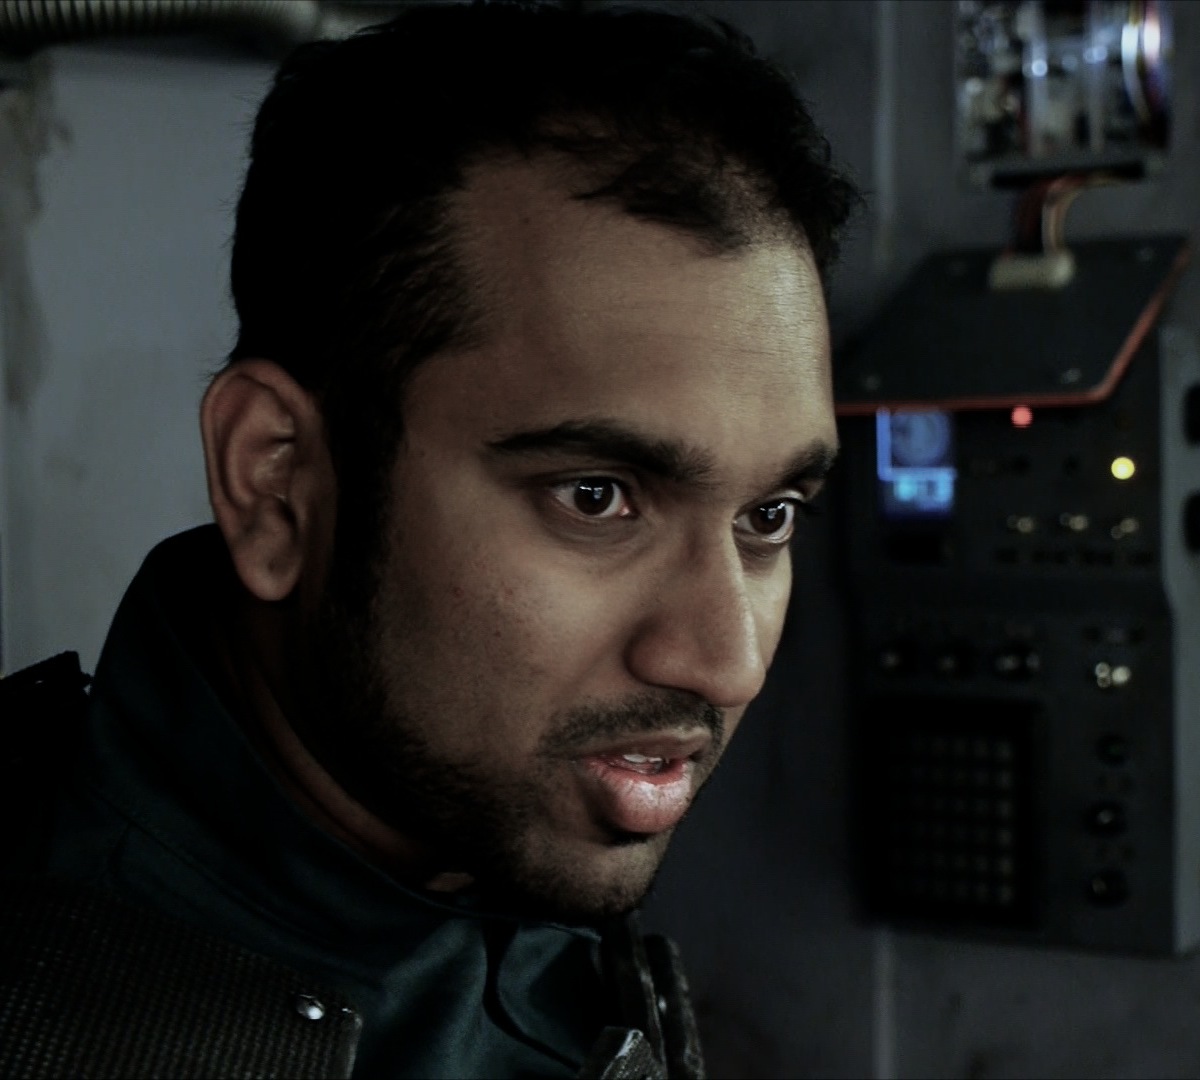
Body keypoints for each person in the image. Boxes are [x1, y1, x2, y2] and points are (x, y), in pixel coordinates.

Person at [0, 2, 857, 1077]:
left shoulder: (505, 866)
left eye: (767, 517)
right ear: (276, 483)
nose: (725, 663)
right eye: (596, 497)